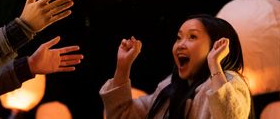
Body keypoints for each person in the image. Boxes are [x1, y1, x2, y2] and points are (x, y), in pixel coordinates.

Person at [101, 14, 254, 119]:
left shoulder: (229, 82)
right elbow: (121, 115)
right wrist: (123, 67)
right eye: (179, 38)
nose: (180, 44)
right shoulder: (168, 87)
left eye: (192, 36)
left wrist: (214, 64)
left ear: (216, 45)